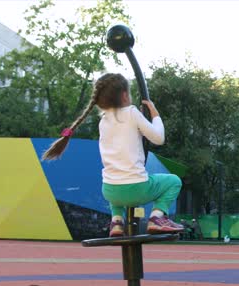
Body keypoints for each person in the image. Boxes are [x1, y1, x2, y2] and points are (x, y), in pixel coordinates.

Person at [42, 73, 183, 237]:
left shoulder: (103, 121)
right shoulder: (131, 112)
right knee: (174, 181)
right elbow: (158, 138)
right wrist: (155, 115)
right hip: (136, 189)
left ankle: (116, 221)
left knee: (115, 181)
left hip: (110, 191)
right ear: (124, 95)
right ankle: (156, 217)